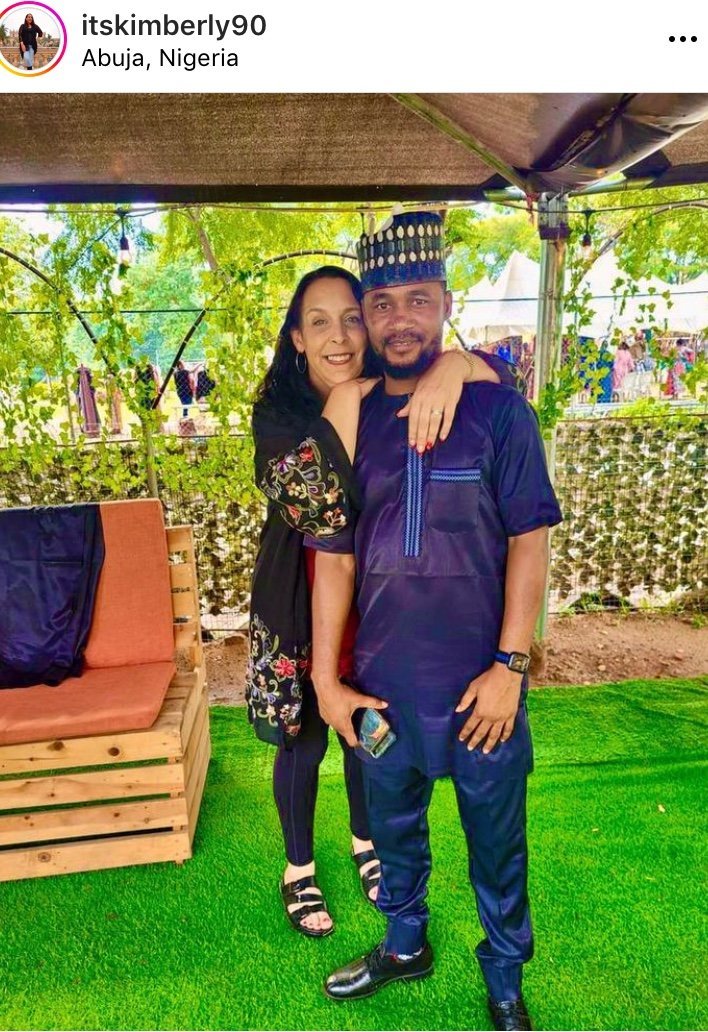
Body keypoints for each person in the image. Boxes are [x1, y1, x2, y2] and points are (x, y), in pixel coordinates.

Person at [306, 212, 563, 1031]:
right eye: (382, 304)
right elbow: (334, 559)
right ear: (367, 315)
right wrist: (327, 682)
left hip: (481, 689)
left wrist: (510, 668)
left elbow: (529, 539)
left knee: (497, 841)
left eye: (419, 299)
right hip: (383, 687)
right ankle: (405, 944)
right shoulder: (354, 420)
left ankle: (505, 981)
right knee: (393, 828)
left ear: (447, 303)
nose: (400, 320)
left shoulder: (499, 413)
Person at [247, 265, 516, 940]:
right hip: (296, 594)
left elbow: (504, 376)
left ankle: (368, 844)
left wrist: (453, 364)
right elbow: (308, 501)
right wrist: (346, 399)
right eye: (318, 322)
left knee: (371, 727)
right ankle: (299, 866)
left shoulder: (395, 391)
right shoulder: (280, 410)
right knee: (304, 737)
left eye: (351, 318)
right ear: (297, 337)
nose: (339, 336)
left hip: (367, 595)